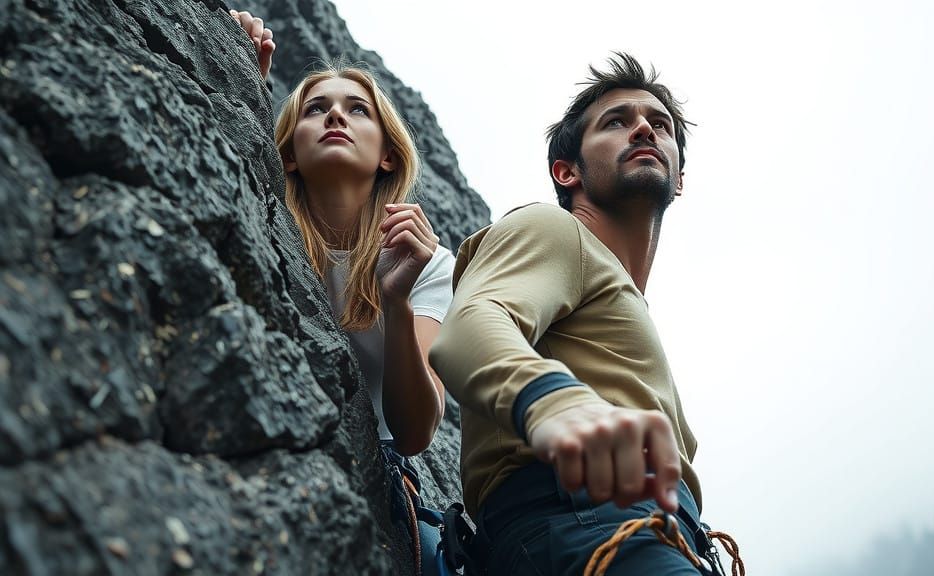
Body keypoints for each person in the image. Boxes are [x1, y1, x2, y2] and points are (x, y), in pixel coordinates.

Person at [429, 53, 742, 575]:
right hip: (587, 524)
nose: (643, 127)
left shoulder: (618, 298)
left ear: (680, 177)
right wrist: (553, 401)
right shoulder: (554, 230)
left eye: (658, 123)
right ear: (566, 171)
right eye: (616, 121)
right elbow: (468, 325)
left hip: (650, 539)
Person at [230, 10, 456, 575]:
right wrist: (240, 72)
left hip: (375, 467)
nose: (335, 113)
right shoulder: (267, 208)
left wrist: (398, 302)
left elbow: (415, 431)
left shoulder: (425, 261)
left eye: (358, 109)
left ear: (386, 153)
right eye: (315, 108)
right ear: (288, 153)